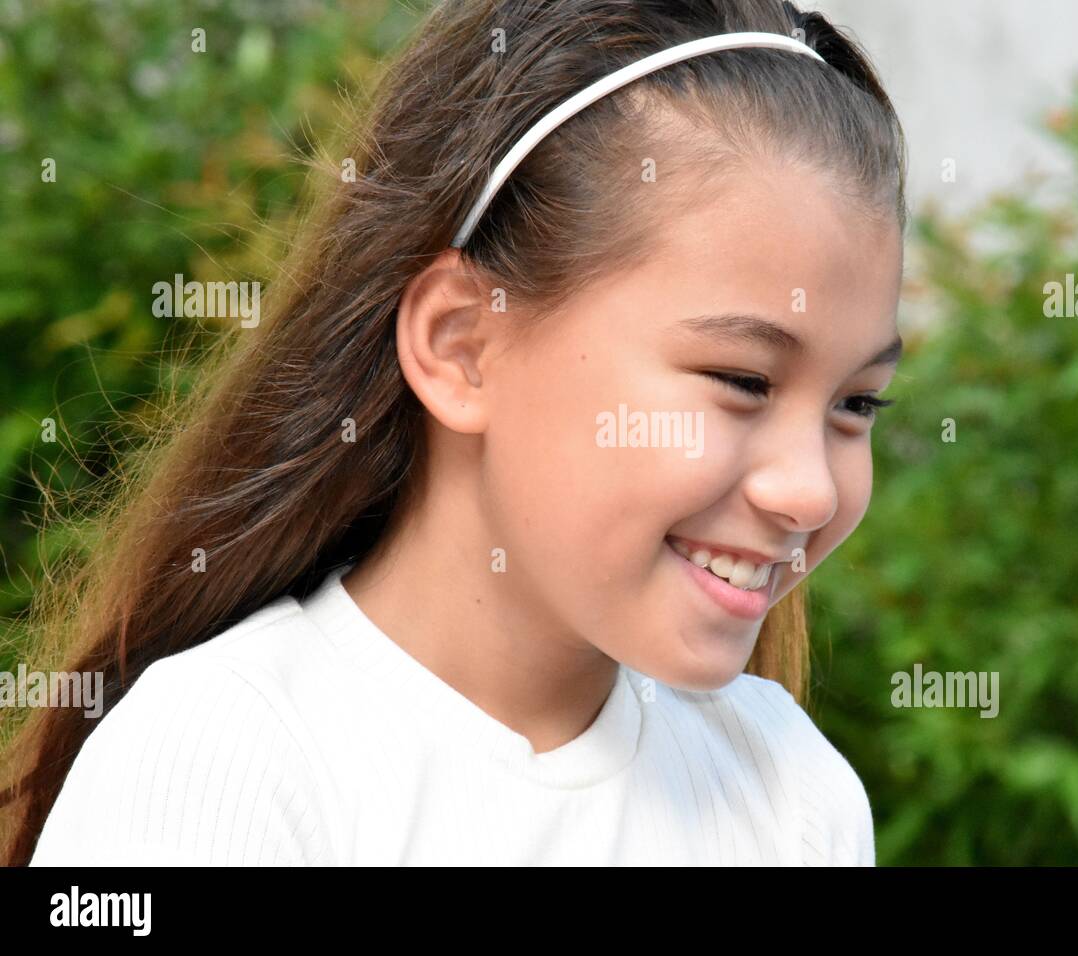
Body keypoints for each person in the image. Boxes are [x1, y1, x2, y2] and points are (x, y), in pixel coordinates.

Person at [3, 0, 906, 865]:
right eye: (743, 381)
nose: (810, 491)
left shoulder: (792, 797)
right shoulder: (224, 765)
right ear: (462, 346)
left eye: (856, 404)